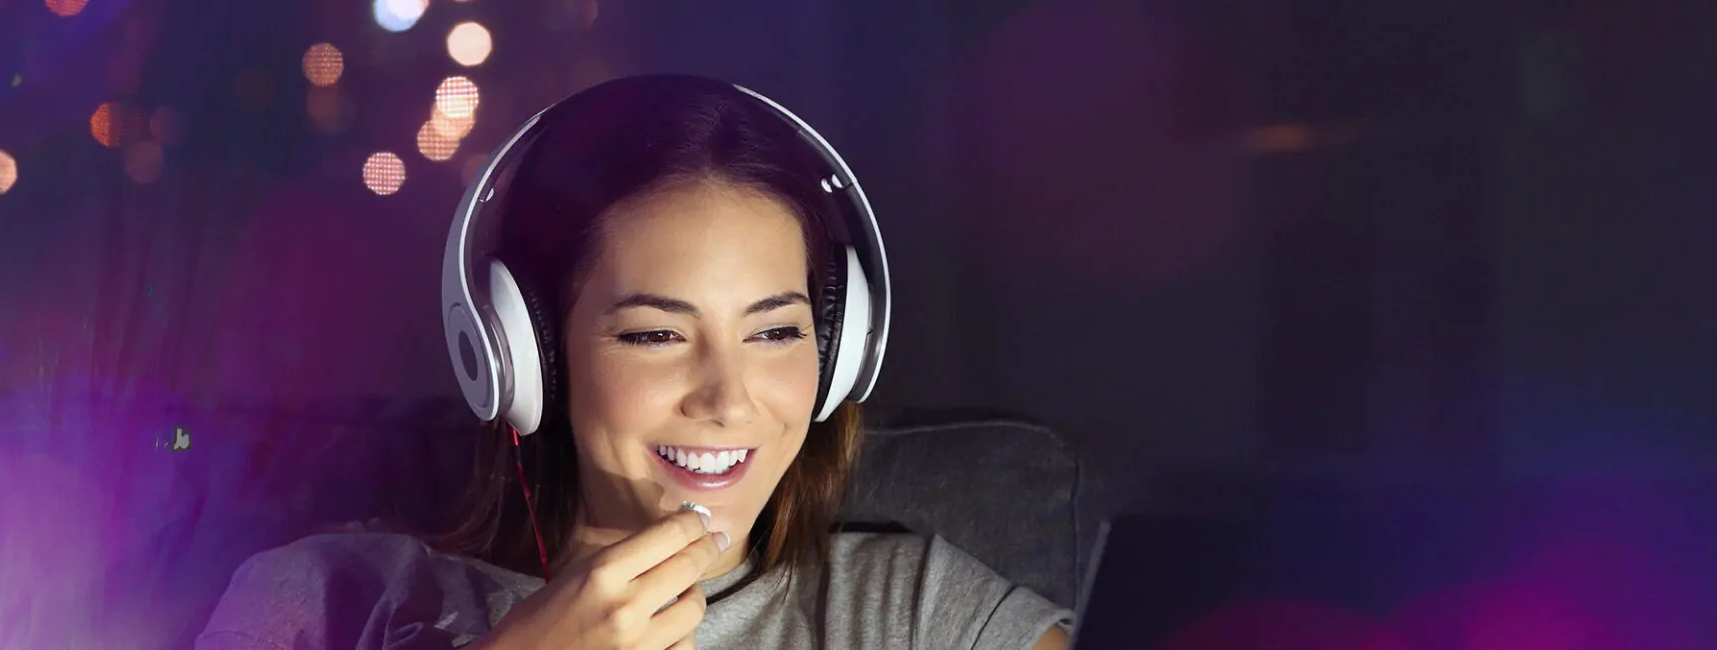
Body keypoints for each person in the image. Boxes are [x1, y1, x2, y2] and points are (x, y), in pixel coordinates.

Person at [197, 75, 1074, 650]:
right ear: (526, 353)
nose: (728, 400)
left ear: (837, 351)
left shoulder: (918, 618)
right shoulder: (323, 601)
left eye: (774, 332)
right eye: (656, 334)